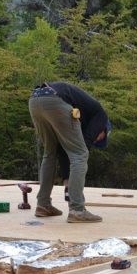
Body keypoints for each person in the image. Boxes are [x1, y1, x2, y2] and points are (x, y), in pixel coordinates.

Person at [28, 81, 111, 223]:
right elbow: (82, 148)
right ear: (103, 129)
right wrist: (69, 178)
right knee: (81, 154)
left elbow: (63, 150)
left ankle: (43, 205)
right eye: (100, 138)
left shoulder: (84, 112)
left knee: (50, 152)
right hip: (55, 100)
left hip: (35, 100)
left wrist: (67, 178)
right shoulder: (101, 117)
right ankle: (77, 210)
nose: (97, 140)